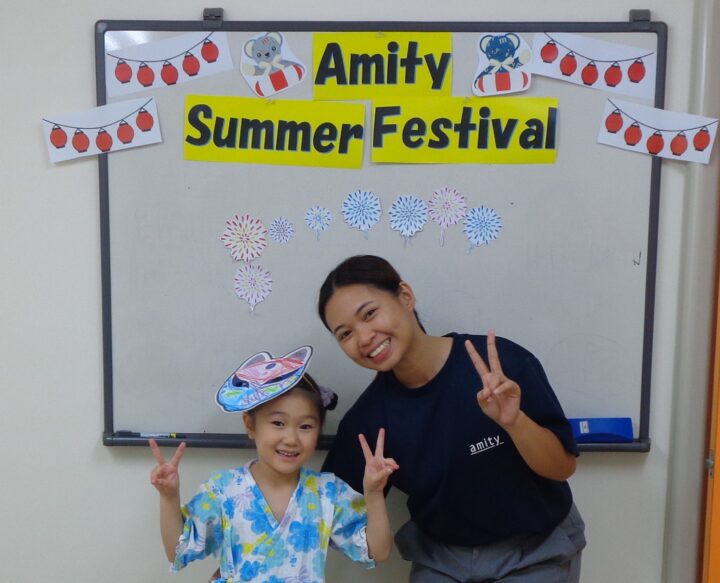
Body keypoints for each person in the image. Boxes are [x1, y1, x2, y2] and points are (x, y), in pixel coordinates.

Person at [318, 255, 586, 582]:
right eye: (345, 334)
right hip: (441, 561)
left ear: (405, 296)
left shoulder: (499, 366)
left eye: (370, 313)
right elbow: (326, 512)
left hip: (536, 552)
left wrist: (514, 422)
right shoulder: (368, 420)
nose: (363, 337)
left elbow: (563, 467)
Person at [149, 347, 398, 583]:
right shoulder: (222, 489)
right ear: (250, 425)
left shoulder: (327, 492)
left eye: (305, 426)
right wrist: (169, 496)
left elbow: (377, 552)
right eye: (278, 423)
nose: (291, 439)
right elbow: (177, 551)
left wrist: (374, 493)